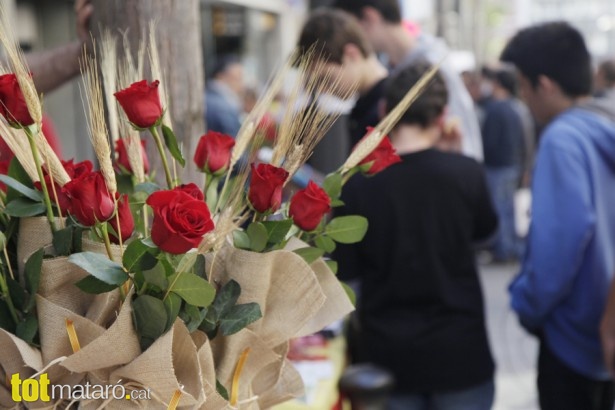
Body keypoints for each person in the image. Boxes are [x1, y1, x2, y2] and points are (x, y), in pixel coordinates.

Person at [334, 61, 498, 410]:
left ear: (384, 110)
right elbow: (486, 233)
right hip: (460, 354)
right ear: (442, 115)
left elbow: (346, 275)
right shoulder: (466, 172)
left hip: (388, 361)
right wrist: (454, 159)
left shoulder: (357, 185)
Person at [502, 21, 615, 410]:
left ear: (544, 85)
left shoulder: (562, 139)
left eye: (522, 84)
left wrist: (526, 302)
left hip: (572, 336)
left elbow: (561, 241)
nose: (522, 96)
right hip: (605, 331)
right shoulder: (603, 123)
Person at [331, 0, 483, 161]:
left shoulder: (432, 67)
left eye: (350, 29)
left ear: (369, 18)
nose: (348, 40)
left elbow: (464, 143)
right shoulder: (395, 66)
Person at [297, 8, 389, 148]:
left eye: (325, 79)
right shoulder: (365, 106)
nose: (323, 90)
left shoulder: (389, 106)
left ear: (351, 54)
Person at [480, 68, 526, 262]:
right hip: (513, 165)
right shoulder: (517, 108)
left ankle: (502, 249)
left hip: (497, 166)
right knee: (509, 209)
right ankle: (511, 247)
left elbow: (488, 141)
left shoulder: (495, 109)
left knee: (499, 209)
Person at [204, 55, 245, 137]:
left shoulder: (207, 97)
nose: (242, 84)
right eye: (238, 78)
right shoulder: (224, 106)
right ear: (221, 76)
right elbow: (233, 141)